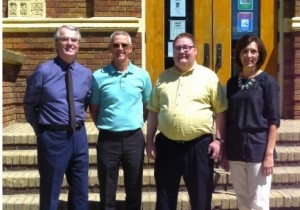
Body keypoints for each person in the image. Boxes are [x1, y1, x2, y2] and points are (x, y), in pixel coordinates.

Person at [146, 32, 227, 210]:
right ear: (173, 51)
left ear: (195, 51)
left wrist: (219, 141)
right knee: (165, 200)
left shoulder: (209, 77)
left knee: (200, 199)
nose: (182, 51)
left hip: (198, 147)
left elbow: (221, 111)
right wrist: (149, 141)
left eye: (186, 47)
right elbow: (153, 111)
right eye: (177, 48)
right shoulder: (163, 77)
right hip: (167, 147)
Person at [23, 25, 92, 210]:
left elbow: (83, 102)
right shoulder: (43, 71)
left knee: (80, 190)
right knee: (51, 190)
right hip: (52, 137)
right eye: (65, 39)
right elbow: (30, 105)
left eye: (74, 40)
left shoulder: (86, 74)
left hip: (78, 137)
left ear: (79, 44)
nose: (70, 43)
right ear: (56, 43)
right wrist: (41, 131)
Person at [89, 31, 152, 210]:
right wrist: (109, 124)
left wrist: (136, 122)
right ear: (110, 48)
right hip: (108, 139)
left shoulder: (142, 75)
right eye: (116, 45)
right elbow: (94, 108)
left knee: (134, 186)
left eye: (124, 45)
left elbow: (148, 105)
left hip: (134, 138)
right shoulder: (98, 76)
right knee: (107, 187)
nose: (120, 48)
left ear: (131, 48)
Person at [221, 35, 280, 210]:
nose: (249, 55)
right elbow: (228, 119)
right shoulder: (232, 83)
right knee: (242, 200)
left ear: (259, 54)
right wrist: (224, 149)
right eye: (245, 51)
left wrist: (269, 154)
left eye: (253, 51)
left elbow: (273, 120)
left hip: (258, 149)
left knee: (259, 203)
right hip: (235, 148)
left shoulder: (268, 82)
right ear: (238, 54)